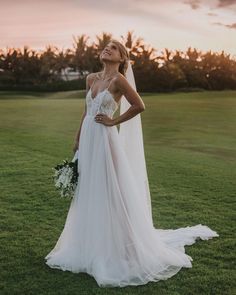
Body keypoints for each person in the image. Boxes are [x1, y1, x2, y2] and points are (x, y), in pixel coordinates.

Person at [45, 39, 219, 288]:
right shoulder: (91, 79)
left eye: (113, 48)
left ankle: (126, 248)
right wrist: (77, 139)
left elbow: (139, 105)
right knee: (90, 192)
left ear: (122, 58)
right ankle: (89, 244)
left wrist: (113, 122)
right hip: (88, 139)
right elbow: (86, 112)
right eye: (106, 46)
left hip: (105, 141)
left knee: (114, 192)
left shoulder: (119, 81)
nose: (107, 48)